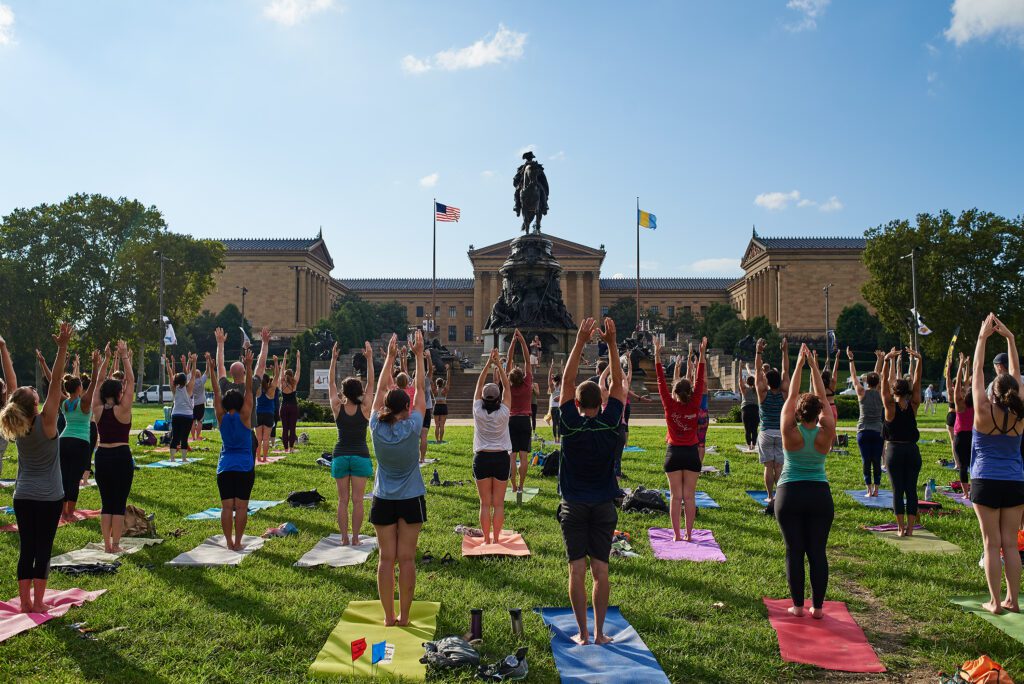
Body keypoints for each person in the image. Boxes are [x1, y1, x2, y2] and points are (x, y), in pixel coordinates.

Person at [557, 317, 625, 646]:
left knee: (576, 571)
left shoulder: (568, 423)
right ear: (602, 402)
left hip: (573, 505)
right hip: (603, 506)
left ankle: (582, 635)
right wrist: (611, 343)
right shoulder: (612, 422)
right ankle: (599, 633)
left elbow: (567, 381)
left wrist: (580, 341)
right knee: (601, 570)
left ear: (578, 404)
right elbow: (621, 384)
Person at [0, 323, 71, 613]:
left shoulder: (18, 425)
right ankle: (39, 603)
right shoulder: (47, 422)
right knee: (43, 549)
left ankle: (26, 603)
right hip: (50, 497)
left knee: (27, 548)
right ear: (36, 402)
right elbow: (56, 382)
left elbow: (12, 384)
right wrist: (62, 347)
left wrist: (3, 350)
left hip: (23, 496)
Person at [369, 331, 428, 627]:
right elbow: (421, 393)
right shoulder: (413, 427)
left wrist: (389, 359)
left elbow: (380, 390)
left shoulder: (375, 428)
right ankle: (404, 616)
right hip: (410, 499)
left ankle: (388, 618)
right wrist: (418, 355)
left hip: (383, 499)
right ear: (406, 408)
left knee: (385, 559)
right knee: (407, 560)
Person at [775, 343, 836, 619]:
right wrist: (814, 366)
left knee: (794, 551)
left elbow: (790, 396)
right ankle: (819, 608)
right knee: (817, 552)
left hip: (790, 494)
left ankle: (798, 606)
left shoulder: (790, 431)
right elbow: (823, 400)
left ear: (799, 413)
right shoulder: (827, 432)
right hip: (819, 494)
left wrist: (799, 364)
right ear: (819, 412)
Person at [969, 314, 1024, 615]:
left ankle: (995, 601)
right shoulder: (1020, 414)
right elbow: (1014, 371)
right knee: (1011, 545)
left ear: (994, 392)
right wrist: (1010, 338)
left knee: (991, 544)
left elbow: (977, 370)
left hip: (986, 480)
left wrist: (982, 337)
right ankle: (1013, 601)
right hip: (1015, 481)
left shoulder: (982, 410)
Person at [653, 334, 707, 542]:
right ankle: (689, 535)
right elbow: (700, 380)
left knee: (676, 498)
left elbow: (660, 380)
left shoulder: (669, 404)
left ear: (674, 393)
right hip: (691, 453)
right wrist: (701, 355)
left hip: (673, 453)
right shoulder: (694, 404)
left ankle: (676, 535)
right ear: (690, 393)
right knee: (690, 497)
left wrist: (657, 354)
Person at [207, 350, 256, 551]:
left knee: (227, 507)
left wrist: (211, 369)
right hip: (244, 466)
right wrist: (249, 366)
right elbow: (250, 390)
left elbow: (217, 391)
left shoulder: (221, 417)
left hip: (225, 467)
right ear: (241, 403)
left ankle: (228, 542)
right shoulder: (245, 417)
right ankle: (238, 541)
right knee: (242, 507)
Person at [90, 340, 135, 553]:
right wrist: (124, 355)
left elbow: (98, 381)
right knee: (119, 503)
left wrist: (106, 360)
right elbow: (132, 381)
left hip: (102, 456)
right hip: (121, 456)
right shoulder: (123, 410)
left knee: (106, 502)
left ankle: (107, 545)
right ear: (119, 393)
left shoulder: (97, 409)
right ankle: (115, 545)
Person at [329, 341, 376, 545]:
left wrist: (333, 359)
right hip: (360, 456)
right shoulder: (365, 408)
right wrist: (370, 359)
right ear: (359, 391)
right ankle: (356, 538)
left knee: (342, 500)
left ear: (344, 391)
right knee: (357, 501)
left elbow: (331, 384)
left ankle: (344, 538)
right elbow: (372, 384)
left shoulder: (337, 407)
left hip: (340, 456)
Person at [880, 347, 923, 536]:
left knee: (898, 490)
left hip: (895, 451)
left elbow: (883, 384)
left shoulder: (890, 407)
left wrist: (887, 361)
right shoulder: (913, 405)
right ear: (908, 391)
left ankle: (900, 527)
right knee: (911, 490)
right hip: (912, 451)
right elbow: (918, 382)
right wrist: (919, 361)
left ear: (893, 391)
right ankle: (911, 528)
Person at [472, 348, 513, 543]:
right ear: (498, 398)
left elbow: (480, 384)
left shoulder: (478, 411)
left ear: (482, 397)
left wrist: (488, 364)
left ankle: (487, 540)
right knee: (498, 504)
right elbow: (507, 386)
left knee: (484, 503)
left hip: (482, 458)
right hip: (501, 458)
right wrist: (499, 366)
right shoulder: (504, 411)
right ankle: (496, 539)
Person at [216, 326, 270, 458]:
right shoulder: (250, 386)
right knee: (248, 466)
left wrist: (220, 344)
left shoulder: (225, 386)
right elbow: (261, 366)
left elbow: (220, 365)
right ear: (245, 373)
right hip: (247, 432)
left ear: (230, 373)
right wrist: (265, 343)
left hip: (229, 432)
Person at [58, 353, 98, 521]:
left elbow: (54, 382)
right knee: (74, 479)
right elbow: (95, 383)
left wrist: (48, 364)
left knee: (64, 477)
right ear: (79, 388)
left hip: (63, 440)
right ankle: (69, 514)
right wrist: (96, 364)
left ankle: (62, 512)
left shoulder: (64, 402)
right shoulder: (84, 402)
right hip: (80, 442)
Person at [756, 337, 791, 504]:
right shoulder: (785, 393)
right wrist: (784, 351)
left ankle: (770, 496)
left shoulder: (763, 394)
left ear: (767, 382)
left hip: (766, 432)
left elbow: (757, 372)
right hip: (781, 433)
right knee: (779, 467)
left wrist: (758, 351)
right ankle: (780, 496)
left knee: (768, 467)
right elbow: (786, 370)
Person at [848, 347, 884, 497]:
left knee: (866, 460)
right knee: (876, 460)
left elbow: (853, 376)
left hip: (863, 431)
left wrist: (851, 359)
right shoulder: (880, 392)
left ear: (866, 382)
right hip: (877, 431)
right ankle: (876, 490)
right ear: (878, 382)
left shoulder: (861, 393)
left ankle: (869, 489)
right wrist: (880, 360)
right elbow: (878, 375)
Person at [506, 329, 534, 494]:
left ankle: (513, 486)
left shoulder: (508, 387)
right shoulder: (527, 384)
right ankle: (522, 487)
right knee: (523, 457)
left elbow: (509, 361)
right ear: (522, 375)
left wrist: (512, 343)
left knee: (512, 456)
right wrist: (523, 341)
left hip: (511, 421)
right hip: (525, 420)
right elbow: (527, 361)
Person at [166, 353, 197, 463]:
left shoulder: (174, 388)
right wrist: (194, 362)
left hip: (176, 415)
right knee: (184, 437)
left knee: (175, 437)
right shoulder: (189, 388)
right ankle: (184, 458)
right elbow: (193, 375)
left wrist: (167, 364)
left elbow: (170, 375)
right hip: (188, 416)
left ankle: (172, 458)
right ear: (185, 381)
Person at [951, 353, 975, 498]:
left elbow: (960, 381)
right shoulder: (974, 404)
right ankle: (973, 491)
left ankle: (966, 494)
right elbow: (966, 383)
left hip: (960, 436)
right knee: (973, 465)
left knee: (962, 466)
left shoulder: (960, 403)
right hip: (972, 435)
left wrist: (961, 364)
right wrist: (967, 365)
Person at [254, 357, 282, 463]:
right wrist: (275, 363)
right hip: (269, 415)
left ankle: (258, 458)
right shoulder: (271, 390)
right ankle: (265, 458)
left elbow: (257, 377)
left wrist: (260, 364)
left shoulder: (258, 390)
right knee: (266, 439)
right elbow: (276, 377)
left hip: (258, 414)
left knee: (258, 439)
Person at [279, 350, 301, 453]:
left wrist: (284, 357)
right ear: (292, 375)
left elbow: (282, 369)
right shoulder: (294, 383)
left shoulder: (282, 382)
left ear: (284, 375)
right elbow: (298, 370)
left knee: (284, 428)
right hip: (293, 407)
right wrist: (298, 358)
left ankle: (286, 449)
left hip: (284, 407)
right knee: (292, 428)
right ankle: (291, 448)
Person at [739, 371, 759, 451]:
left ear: (747, 382)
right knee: (754, 429)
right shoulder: (757, 389)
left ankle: (749, 446)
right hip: (755, 409)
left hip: (746, 409)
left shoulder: (744, 389)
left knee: (747, 429)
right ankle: (753, 445)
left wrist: (740, 368)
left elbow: (740, 380)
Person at [190, 360, 208, 443]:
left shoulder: (191, 382)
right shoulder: (201, 381)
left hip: (192, 403)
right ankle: (198, 437)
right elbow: (207, 371)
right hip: (201, 403)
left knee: (193, 421)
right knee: (200, 421)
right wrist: (207, 361)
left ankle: (193, 437)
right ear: (200, 375)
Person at [432, 368, 451, 444]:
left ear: (436, 383)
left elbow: (430, 381)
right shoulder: (444, 390)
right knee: (442, 425)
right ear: (442, 383)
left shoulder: (434, 390)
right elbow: (449, 381)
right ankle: (441, 439)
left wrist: (432, 371)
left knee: (437, 425)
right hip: (443, 407)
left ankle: (437, 440)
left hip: (437, 407)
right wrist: (448, 371)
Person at [821, 354, 840, 422]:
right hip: (832, 407)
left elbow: (818, 375)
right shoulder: (832, 385)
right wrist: (837, 358)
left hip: (823, 408)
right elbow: (835, 370)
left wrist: (825, 365)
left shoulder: (820, 386)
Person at [548, 363, 562, 444]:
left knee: (554, 424)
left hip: (553, 407)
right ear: (560, 380)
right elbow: (563, 376)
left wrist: (551, 367)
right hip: (559, 407)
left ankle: (555, 439)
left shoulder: (552, 387)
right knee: (559, 424)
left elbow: (549, 378)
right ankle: (559, 439)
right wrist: (561, 366)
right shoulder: (561, 386)